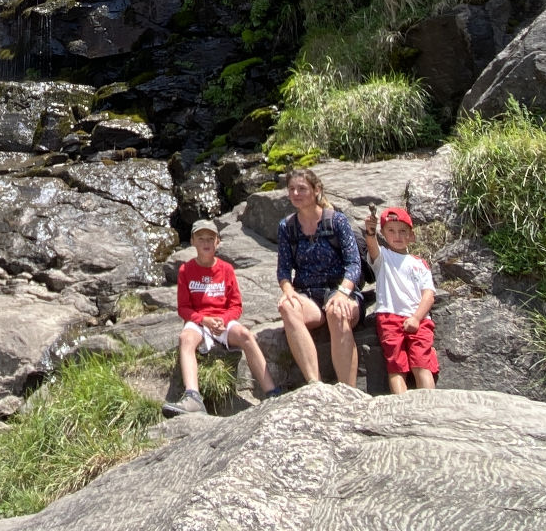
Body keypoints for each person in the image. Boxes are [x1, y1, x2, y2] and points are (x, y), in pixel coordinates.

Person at [164, 220, 278, 416]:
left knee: (246, 335)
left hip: (222, 320)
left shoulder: (226, 269)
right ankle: (192, 396)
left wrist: (223, 320)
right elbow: (184, 308)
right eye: (201, 239)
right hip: (199, 321)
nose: (206, 243)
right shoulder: (185, 270)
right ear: (192, 242)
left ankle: (272, 392)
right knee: (186, 339)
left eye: (210, 239)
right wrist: (203, 320)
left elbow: (236, 305)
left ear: (218, 242)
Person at [275, 167, 361, 388]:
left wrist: (343, 293)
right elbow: (284, 271)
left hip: (339, 289)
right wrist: (288, 292)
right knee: (287, 307)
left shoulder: (337, 221)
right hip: (308, 294)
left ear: (317, 190)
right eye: (291, 189)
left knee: (336, 312)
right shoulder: (286, 227)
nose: (296, 193)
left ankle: (347, 390)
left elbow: (354, 263)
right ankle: (316, 384)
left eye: (302, 188)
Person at [361, 203, 438, 394]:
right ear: (384, 234)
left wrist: (416, 318)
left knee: (422, 363)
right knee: (396, 365)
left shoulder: (420, 264)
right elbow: (372, 245)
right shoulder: (383, 257)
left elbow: (428, 295)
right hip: (389, 317)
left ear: (411, 235)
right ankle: (402, 409)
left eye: (403, 231)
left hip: (418, 319)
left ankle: (431, 406)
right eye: (391, 231)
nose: (397, 236)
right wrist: (370, 232)